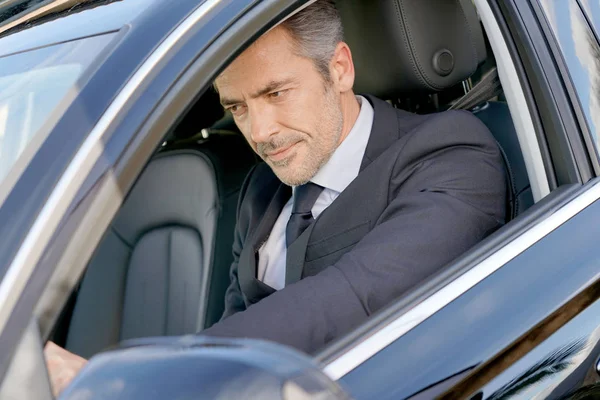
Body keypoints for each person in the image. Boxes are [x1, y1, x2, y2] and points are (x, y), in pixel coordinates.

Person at [45, 0, 506, 395]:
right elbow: (235, 329)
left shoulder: (450, 151)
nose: (259, 132)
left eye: (277, 92)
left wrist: (137, 383)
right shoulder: (261, 191)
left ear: (339, 69)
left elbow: (357, 295)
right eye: (237, 107)